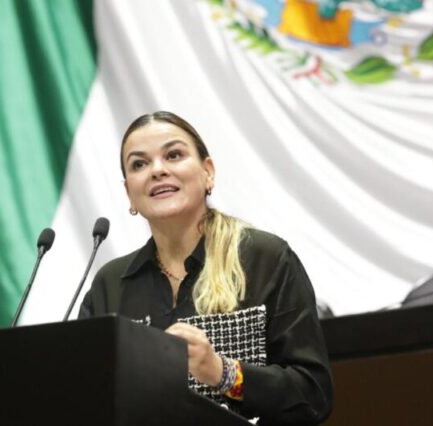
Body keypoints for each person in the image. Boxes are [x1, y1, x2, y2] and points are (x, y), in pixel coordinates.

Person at [79, 111, 333, 425]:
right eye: (139, 164)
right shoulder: (110, 284)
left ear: (207, 172)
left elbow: (313, 394)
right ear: (129, 193)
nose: (157, 170)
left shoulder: (265, 259)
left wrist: (222, 372)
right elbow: (86, 399)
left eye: (174, 155)